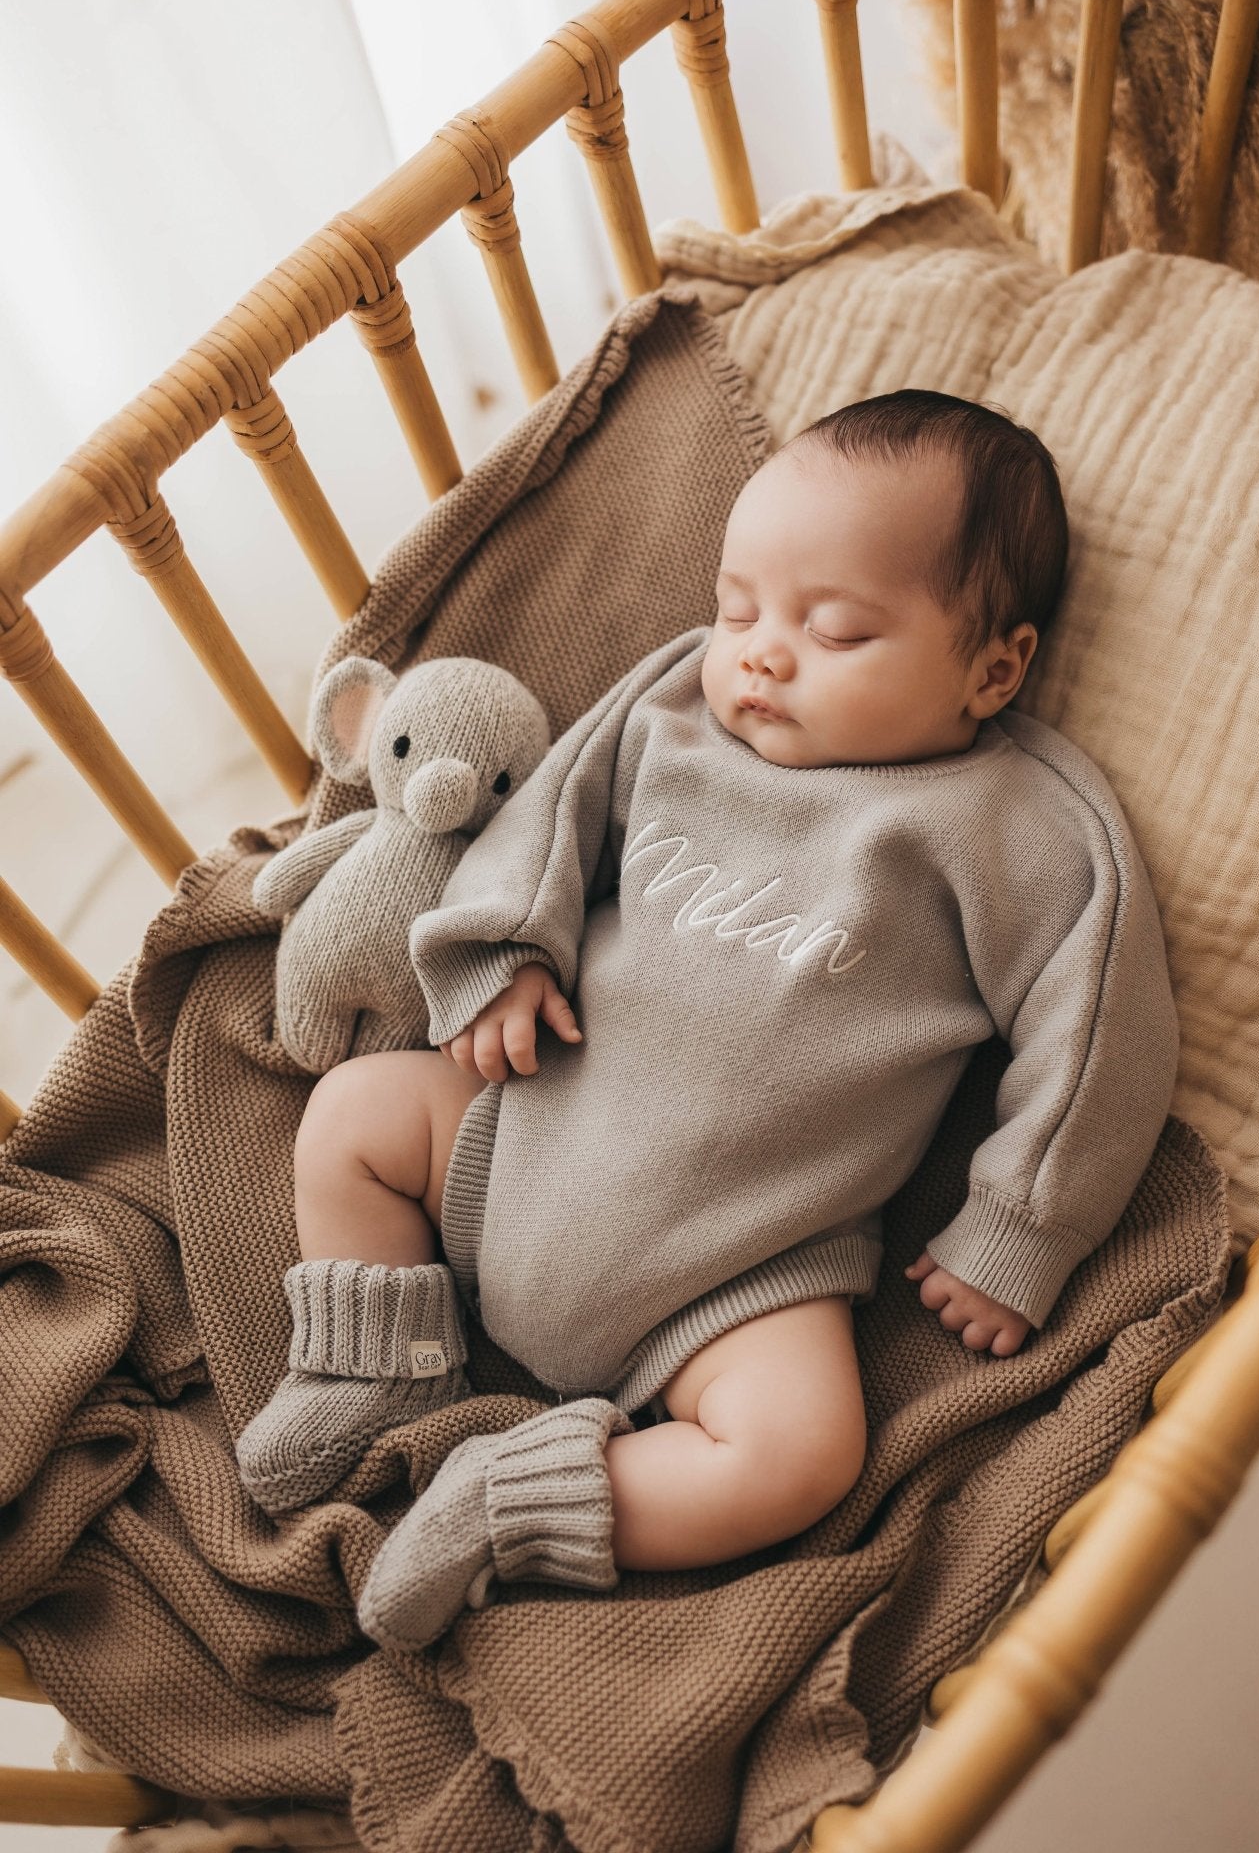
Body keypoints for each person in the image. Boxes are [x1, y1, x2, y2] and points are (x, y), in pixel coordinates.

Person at [235, 389, 1180, 1650]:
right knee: (352, 1115)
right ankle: (365, 1365)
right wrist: (506, 952)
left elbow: (1101, 1030)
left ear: (991, 666)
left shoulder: (1014, 829)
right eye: (741, 606)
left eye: (835, 629)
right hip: (521, 1132)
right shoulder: (677, 704)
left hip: (745, 1266)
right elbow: (549, 815)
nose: (761, 650)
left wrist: (1019, 1223)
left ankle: (504, 1499)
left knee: (801, 1457)